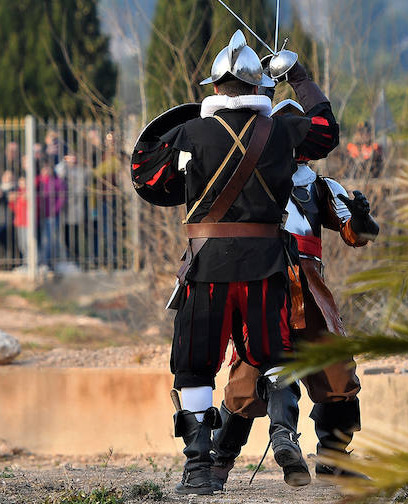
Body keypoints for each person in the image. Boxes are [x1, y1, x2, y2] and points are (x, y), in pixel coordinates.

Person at [131, 30, 338, 495]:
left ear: (216, 89)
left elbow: (145, 173)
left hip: (207, 271)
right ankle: (285, 435)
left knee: (194, 368)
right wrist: (298, 77)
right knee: (275, 356)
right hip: (266, 268)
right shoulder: (282, 132)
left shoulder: (190, 133)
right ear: (260, 88)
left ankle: (199, 470)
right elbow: (326, 131)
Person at [211, 99, 379, 491]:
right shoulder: (248, 177)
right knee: (245, 385)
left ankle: (334, 460)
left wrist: (362, 217)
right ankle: (216, 465)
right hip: (265, 288)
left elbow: (359, 236)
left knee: (337, 376)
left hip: (312, 294)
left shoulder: (320, 186)